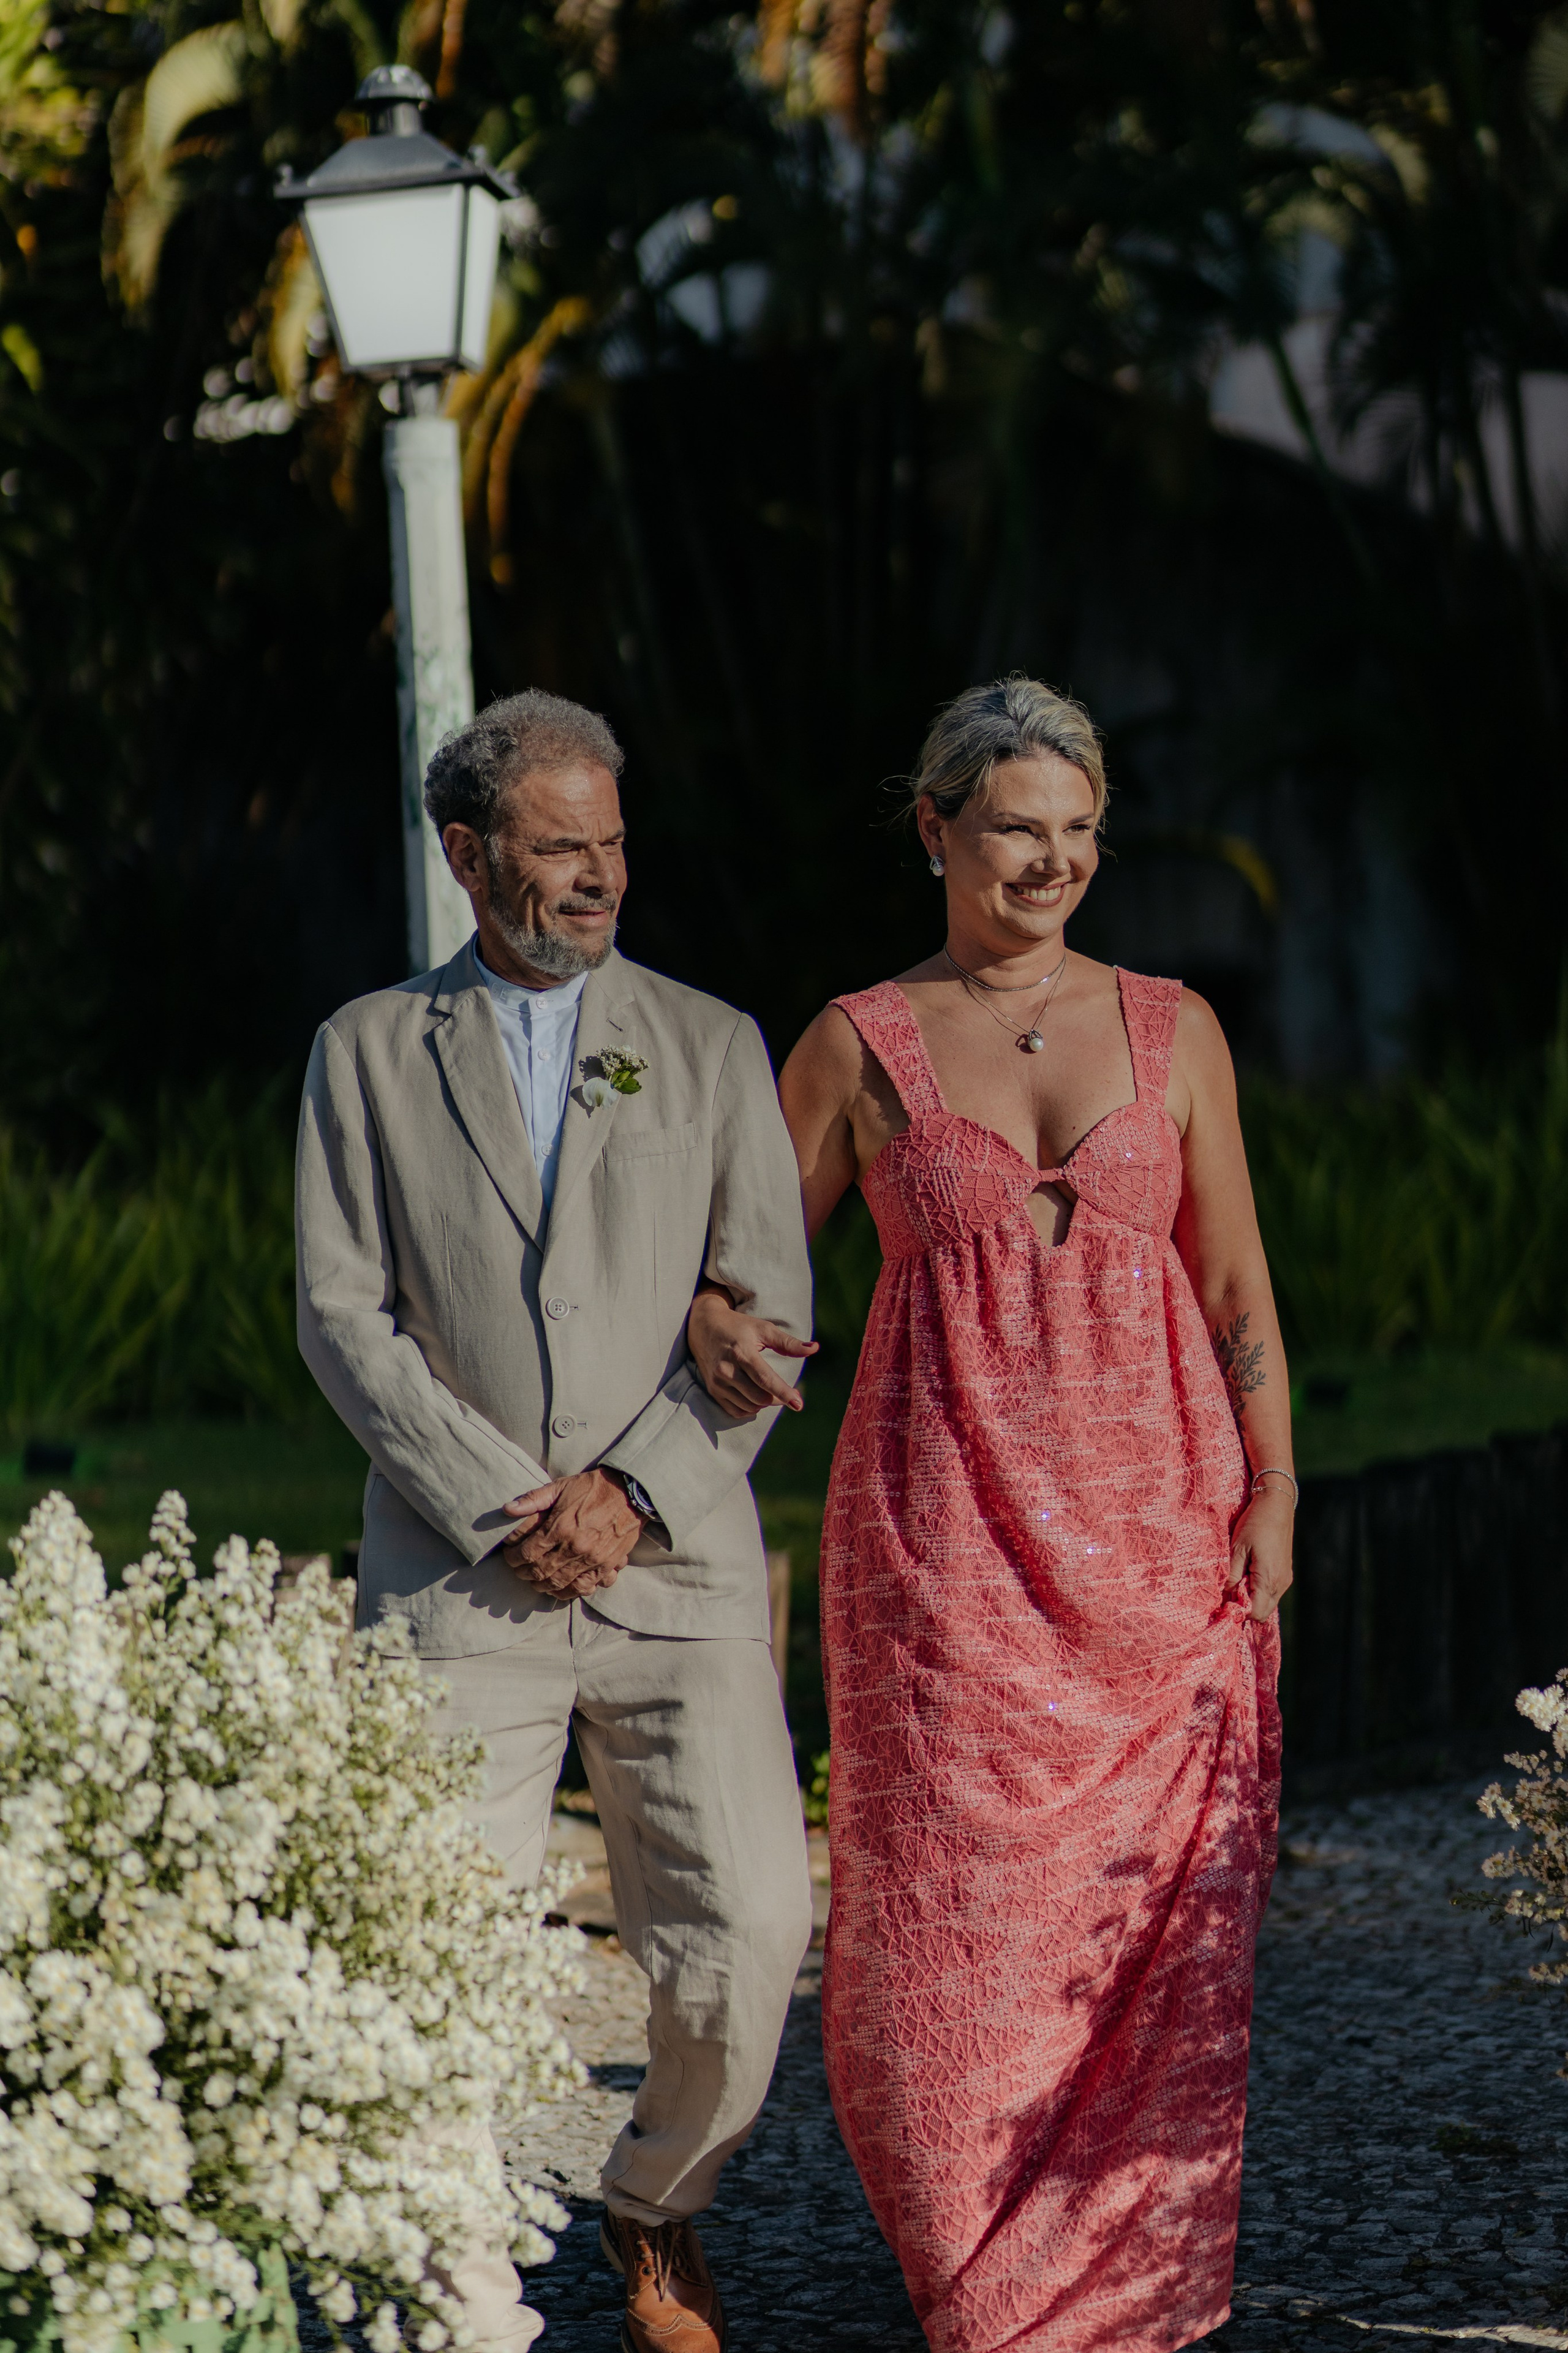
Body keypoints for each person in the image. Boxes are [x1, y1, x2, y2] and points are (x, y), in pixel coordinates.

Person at [688, 676, 1289, 2353]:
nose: (1054, 858)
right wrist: (722, 1328)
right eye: (1018, 823)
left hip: (1161, 1541)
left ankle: (1122, 2297)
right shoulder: (853, 1041)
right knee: (945, 1947)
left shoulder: (1176, 1029)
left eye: (1081, 827)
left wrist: (1279, 1484)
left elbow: (1232, 1278)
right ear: (937, 827)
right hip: (941, 1544)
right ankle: (979, 2283)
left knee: (1151, 1929)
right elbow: (748, 1268)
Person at [295, 689, 814, 2353]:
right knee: (430, 1944)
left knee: (750, 1926)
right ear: (467, 852)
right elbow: (341, 1315)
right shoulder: (366, 1050)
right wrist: (497, 1501)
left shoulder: (714, 1042)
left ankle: (656, 2199)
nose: (599, 875)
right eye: (558, 846)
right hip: (463, 1578)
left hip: (676, 1560)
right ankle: (456, 2292)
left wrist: (630, 1486)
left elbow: (769, 1317)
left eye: (612, 842)